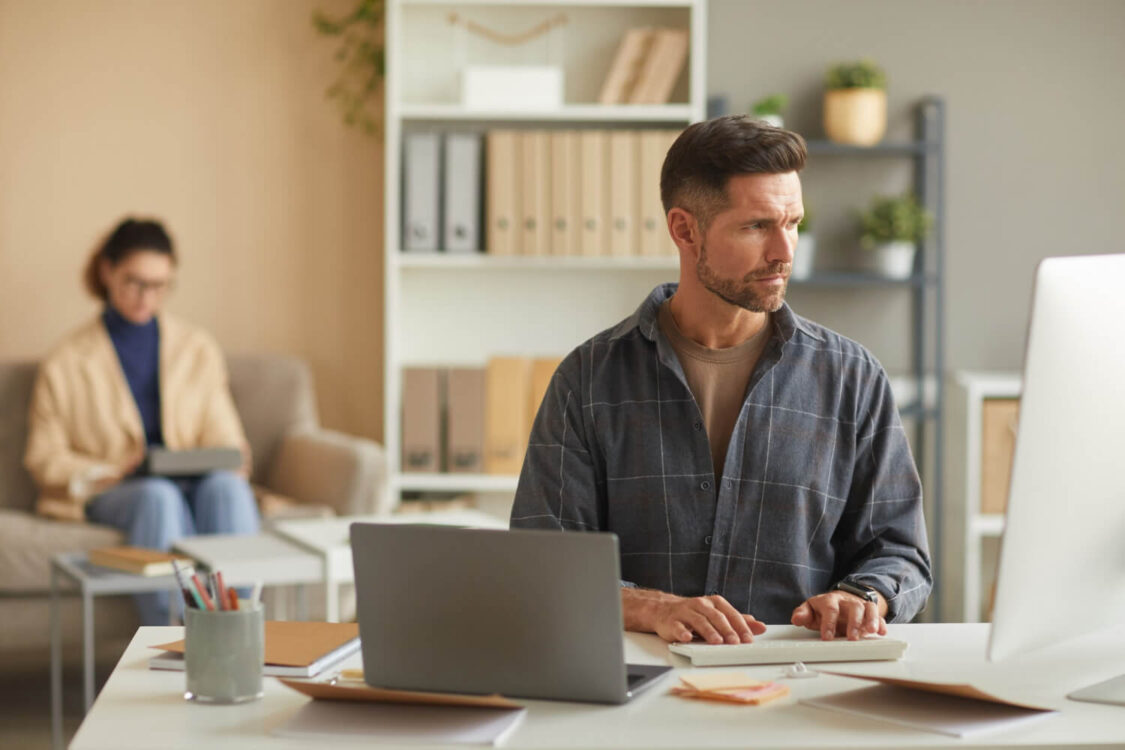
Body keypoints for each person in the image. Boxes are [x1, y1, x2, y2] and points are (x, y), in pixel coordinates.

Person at [510, 116, 932, 645]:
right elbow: (541, 562)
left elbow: (901, 551)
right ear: (685, 230)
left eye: (794, 222)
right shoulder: (589, 380)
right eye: (756, 226)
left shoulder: (853, 377)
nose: (785, 251)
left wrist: (863, 598)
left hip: (802, 692)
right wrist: (650, 607)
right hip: (641, 695)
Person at [24, 217, 260, 625]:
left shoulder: (197, 348)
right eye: (135, 282)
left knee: (228, 489)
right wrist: (112, 471)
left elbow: (223, 430)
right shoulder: (64, 360)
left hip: (194, 479)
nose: (146, 296)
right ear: (107, 272)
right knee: (156, 495)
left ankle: (239, 628)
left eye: (159, 285)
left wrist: (230, 456)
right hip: (122, 487)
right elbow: (44, 457)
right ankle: (169, 634)